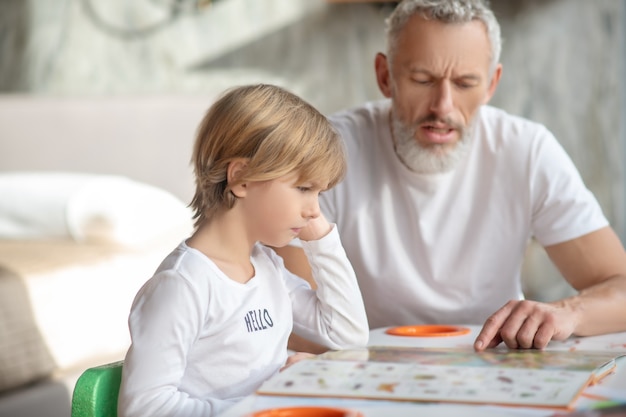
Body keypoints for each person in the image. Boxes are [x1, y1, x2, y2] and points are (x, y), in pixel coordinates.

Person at [277, 0, 626, 353]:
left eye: (464, 83)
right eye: (423, 80)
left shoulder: (528, 151)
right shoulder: (329, 152)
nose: (442, 106)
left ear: (492, 84)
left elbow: (621, 287)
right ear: (385, 76)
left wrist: (567, 312)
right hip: (364, 370)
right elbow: (293, 309)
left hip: (493, 368)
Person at [117, 84, 369, 417]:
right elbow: (144, 409)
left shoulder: (268, 268)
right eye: (305, 188)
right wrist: (267, 404)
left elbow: (348, 335)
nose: (314, 210)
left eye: (319, 194)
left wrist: (320, 238)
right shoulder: (183, 286)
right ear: (242, 179)